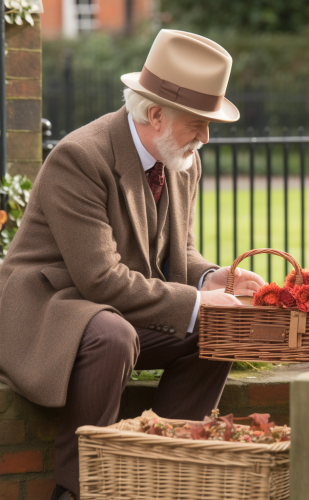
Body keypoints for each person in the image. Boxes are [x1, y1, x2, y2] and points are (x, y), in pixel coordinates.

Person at [0, 30, 264, 500]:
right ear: (156, 113)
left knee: (216, 326)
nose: (206, 136)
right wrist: (199, 301)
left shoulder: (181, 158)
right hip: (52, 310)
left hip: (111, 307)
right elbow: (100, 279)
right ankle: (79, 487)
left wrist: (211, 278)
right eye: (198, 122)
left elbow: (177, 254)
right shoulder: (80, 157)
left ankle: (160, 468)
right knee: (112, 335)